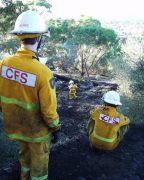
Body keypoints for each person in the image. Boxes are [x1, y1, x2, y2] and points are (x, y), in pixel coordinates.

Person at [0, 10, 61, 180]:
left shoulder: (4, 64)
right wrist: (56, 128)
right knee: (39, 170)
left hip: (18, 128)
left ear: (19, 36)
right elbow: (49, 112)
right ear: (39, 38)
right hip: (38, 133)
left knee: (24, 162)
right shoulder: (43, 73)